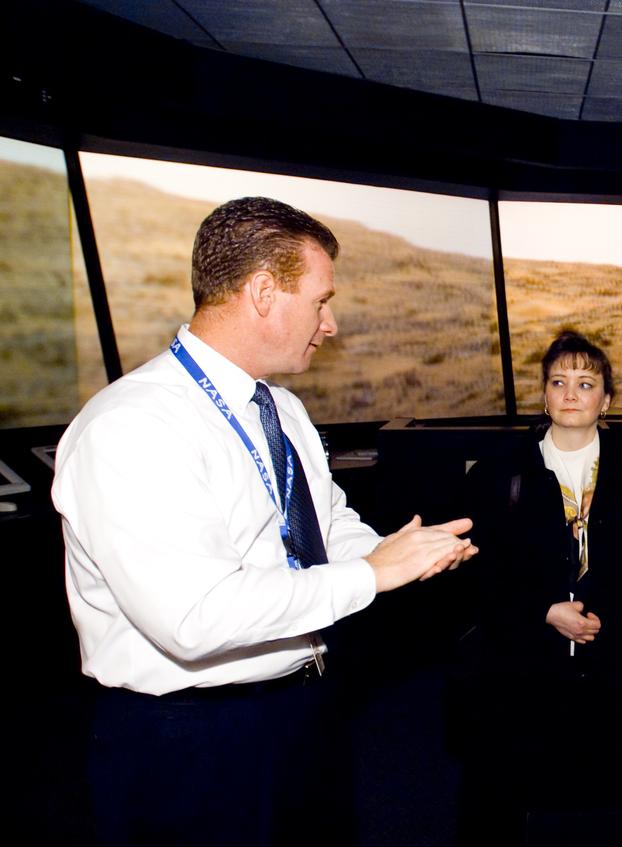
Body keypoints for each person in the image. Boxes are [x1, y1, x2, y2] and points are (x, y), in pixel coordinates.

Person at [52, 196, 477, 846]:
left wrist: (402, 552)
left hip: (303, 708)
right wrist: (371, 574)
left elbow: (324, 526)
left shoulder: (282, 409)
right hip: (191, 741)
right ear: (261, 292)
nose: (330, 324)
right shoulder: (132, 427)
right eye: (320, 300)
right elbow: (196, 619)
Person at [457, 330, 622, 844]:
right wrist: (543, 611)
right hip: (526, 671)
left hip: (614, 671)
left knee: (612, 804)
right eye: (559, 382)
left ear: (606, 400)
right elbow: (478, 576)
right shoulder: (499, 474)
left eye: (586, 383)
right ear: (544, 395)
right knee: (530, 800)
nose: (571, 394)